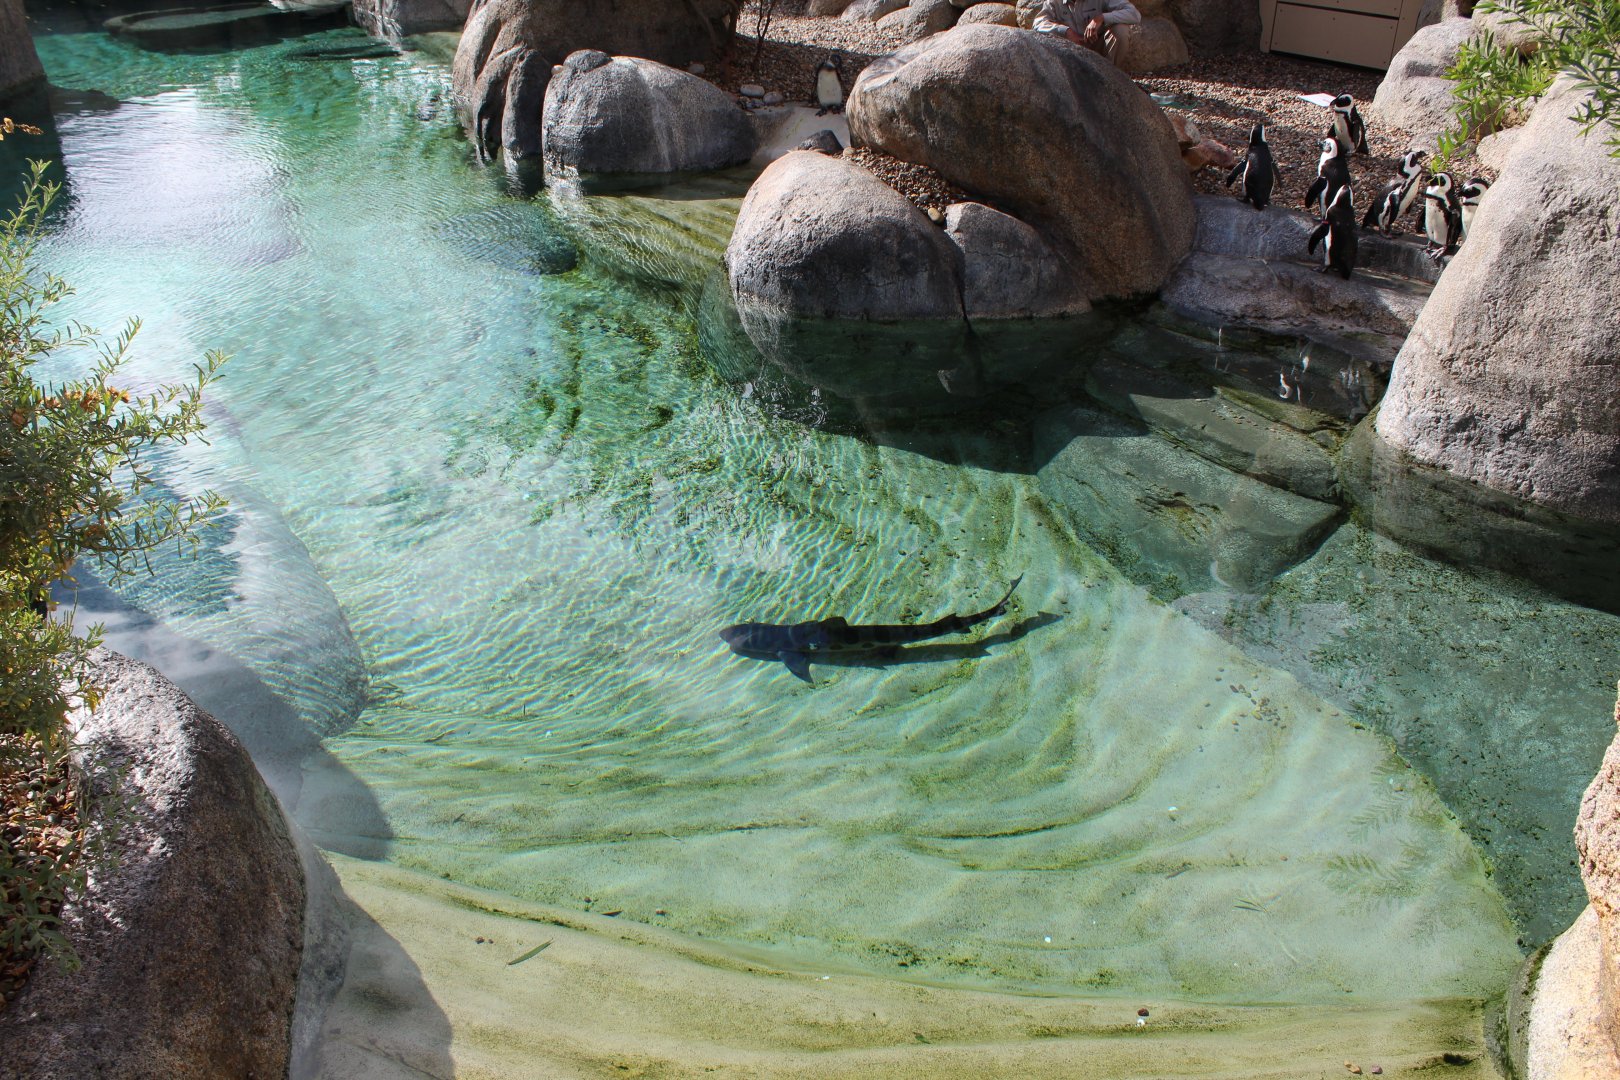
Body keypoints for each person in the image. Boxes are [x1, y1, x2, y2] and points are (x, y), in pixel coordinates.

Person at [1032, 0, 1142, 66]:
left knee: (1121, 30)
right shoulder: (1054, 2)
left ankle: (1109, 78)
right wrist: (1066, 31)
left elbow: (1134, 14)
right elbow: (1038, 23)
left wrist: (1101, 18)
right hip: (1070, 53)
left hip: (1099, 49)